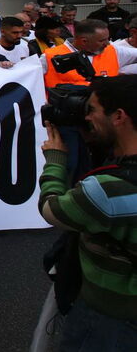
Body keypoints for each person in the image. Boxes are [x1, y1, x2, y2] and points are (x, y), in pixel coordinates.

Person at [38, 75, 137, 349]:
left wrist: (55, 160)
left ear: (119, 116)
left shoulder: (108, 189)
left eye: (91, 110)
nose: (86, 117)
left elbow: (52, 209)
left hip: (108, 317)